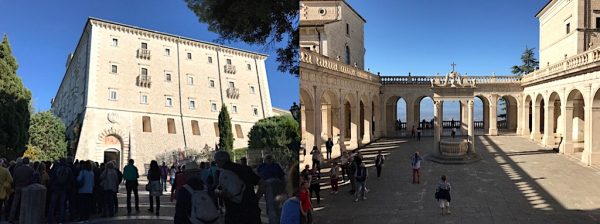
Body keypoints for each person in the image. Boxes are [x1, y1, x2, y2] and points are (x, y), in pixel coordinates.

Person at [214, 150, 261, 224]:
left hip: (234, 213)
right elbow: (263, 184)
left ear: (219, 161)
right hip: (252, 210)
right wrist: (256, 198)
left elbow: (225, 192)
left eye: (216, 162)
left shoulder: (222, 173)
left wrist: (218, 193)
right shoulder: (245, 169)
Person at [9, 157, 34, 222]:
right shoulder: (31, 170)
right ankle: (23, 217)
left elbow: (14, 179)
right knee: (25, 204)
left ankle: (11, 218)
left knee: (15, 203)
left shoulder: (17, 169)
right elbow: (32, 180)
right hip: (26, 188)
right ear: (28, 162)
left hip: (17, 187)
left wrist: (14, 186)